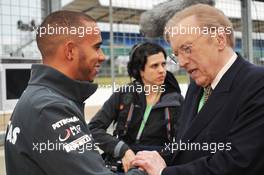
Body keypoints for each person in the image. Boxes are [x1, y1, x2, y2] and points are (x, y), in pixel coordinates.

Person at [132, 4, 264, 175]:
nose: (181, 62)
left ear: (219, 39)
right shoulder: (197, 85)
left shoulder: (257, 84)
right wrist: (157, 158)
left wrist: (163, 173)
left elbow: (238, 162)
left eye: (187, 48)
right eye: (176, 54)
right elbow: (186, 143)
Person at [4, 10, 115, 175]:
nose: (102, 56)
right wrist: (145, 169)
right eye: (97, 47)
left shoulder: (40, 97)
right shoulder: (50, 108)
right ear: (70, 51)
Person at [88, 42, 183, 172]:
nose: (162, 70)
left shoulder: (176, 101)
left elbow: (183, 142)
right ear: (140, 71)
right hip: (122, 165)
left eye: (163, 64)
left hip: (156, 167)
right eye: (154, 66)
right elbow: (93, 129)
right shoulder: (123, 94)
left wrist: (155, 160)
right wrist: (123, 150)